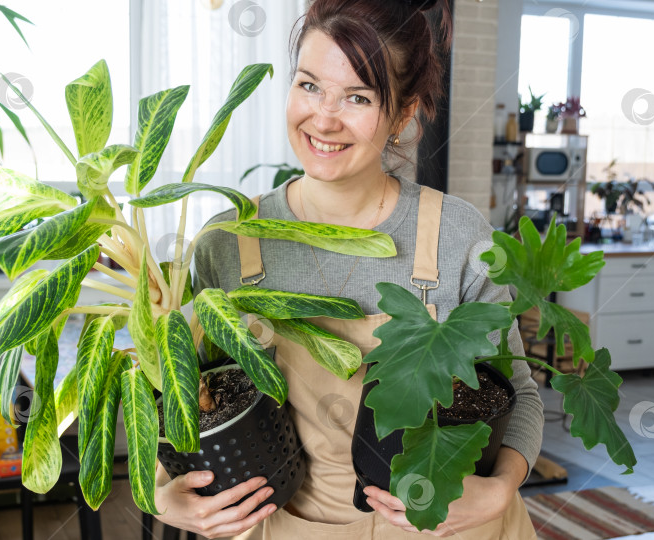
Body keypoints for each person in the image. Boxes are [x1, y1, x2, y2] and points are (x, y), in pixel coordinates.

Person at [153, 0, 543, 538]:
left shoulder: (458, 235)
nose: (324, 117)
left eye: (358, 97)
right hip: (288, 526)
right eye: (309, 85)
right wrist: (162, 493)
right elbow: (183, 393)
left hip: (444, 524)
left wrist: (502, 488)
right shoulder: (227, 241)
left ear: (404, 114)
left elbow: (517, 391)